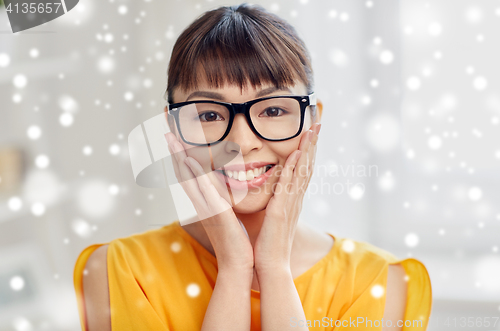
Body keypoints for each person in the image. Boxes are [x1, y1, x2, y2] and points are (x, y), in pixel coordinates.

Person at [73, 3, 432, 331]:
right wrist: (233, 270)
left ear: (311, 121)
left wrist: (274, 270)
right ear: (172, 128)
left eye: (273, 110)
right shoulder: (117, 271)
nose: (243, 143)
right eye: (210, 115)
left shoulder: (379, 283)